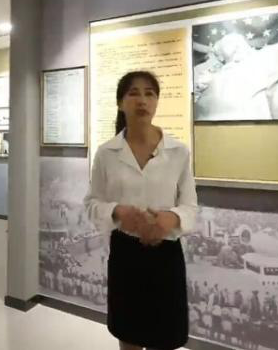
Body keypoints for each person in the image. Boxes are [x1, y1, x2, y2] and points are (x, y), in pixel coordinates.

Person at [84, 70, 198, 350]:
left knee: (165, 338)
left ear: (157, 101)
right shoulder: (106, 153)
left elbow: (190, 207)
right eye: (133, 93)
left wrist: (171, 218)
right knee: (129, 336)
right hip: (126, 256)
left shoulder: (178, 152)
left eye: (149, 93)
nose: (142, 100)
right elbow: (91, 204)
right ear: (120, 103)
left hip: (166, 256)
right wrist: (118, 212)